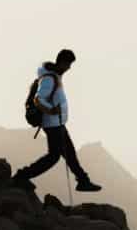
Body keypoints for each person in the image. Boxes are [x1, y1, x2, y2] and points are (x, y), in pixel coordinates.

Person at [13, 48, 102, 193]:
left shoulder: (55, 76)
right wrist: (52, 110)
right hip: (52, 124)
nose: (69, 68)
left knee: (69, 154)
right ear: (62, 62)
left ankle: (83, 181)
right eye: (68, 64)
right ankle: (22, 175)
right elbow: (38, 99)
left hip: (58, 123)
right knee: (54, 157)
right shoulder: (49, 79)